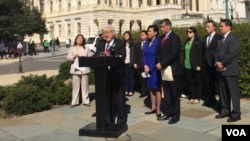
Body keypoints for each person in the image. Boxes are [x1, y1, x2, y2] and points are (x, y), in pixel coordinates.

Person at [94, 24, 127, 125]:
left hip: (116, 74)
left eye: (108, 32)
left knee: (119, 99)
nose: (106, 35)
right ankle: (110, 119)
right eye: (104, 33)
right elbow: (95, 56)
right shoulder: (100, 44)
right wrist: (100, 55)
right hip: (104, 75)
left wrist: (109, 55)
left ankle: (121, 120)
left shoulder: (120, 43)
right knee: (108, 99)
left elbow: (122, 57)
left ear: (113, 33)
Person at [156, 18, 183, 124]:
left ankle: (176, 115)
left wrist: (162, 63)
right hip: (164, 70)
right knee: (167, 93)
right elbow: (158, 52)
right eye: (161, 27)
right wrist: (159, 63)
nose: (161, 29)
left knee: (174, 94)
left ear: (169, 26)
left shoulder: (174, 38)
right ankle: (168, 112)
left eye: (163, 27)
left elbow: (174, 54)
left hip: (173, 70)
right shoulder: (161, 38)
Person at [214, 19, 241, 122]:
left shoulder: (233, 39)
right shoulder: (220, 39)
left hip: (230, 69)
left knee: (233, 93)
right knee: (223, 92)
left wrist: (222, 63)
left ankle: (236, 113)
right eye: (220, 26)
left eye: (222, 26)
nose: (220, 28)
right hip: (221, 70)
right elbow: (216, 53)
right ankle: (225, 110)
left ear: (228, 27)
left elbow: (231, 54)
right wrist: (217, 62)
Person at [67, 34, 92, 108]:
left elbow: (90, 57)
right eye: (78, 38)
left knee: (85, 86)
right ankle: (74, 102)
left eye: (81, 38)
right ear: (76, 40)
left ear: (83, 40)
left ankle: (86, 101)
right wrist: (73, 56)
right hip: (75, 69)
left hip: (84, 70)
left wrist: (86, 58)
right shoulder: (72, 48)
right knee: (75, 87)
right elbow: (68, 58)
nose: (80, 39)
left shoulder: (86, 48)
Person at [143, 24, 162, 120]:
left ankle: (158, 109)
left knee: (157, 89)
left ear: (155, 32)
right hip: (147, 68)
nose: (148, 33)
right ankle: (153, 107)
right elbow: (144, 55)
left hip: (155, 69)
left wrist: (150, 67)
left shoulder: (158, 42)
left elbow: (157, 56)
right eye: (148, 31)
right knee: (151, 88)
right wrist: (145, 65)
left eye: (150, 31)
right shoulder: (147, 42)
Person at [202, 20, 222, 107]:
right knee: (210, 83)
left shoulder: (219, 37)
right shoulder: (205, 38)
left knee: (219, 84)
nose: (206, 28)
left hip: (215, 64)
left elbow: (220, 51)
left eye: (208, 27)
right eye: (206, 27)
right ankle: (211, 100)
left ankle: (222, 102)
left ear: (214, 27)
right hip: (207, 64)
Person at [184, 27, 203, 104]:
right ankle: (192, 96)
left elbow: (200, 54)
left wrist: (199, 65)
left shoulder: (197, 42)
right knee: (190, 82)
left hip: (195, 65)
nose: (188, 33)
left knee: (197, 82)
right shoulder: (187, 41)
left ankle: (197, 98)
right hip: (187, 65)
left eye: (190, 32)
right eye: (187, 32)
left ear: (194, 33)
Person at [133, 30, 149, 98]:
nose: (142, 36)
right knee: (141, 79)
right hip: (139, 64)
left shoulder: (149, 43)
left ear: (147, 35)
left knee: (148, 79)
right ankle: (143, 92)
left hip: (147, 65)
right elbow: (135, 54)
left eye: (143, 34)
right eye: (141, 35)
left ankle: (149, 93)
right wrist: (135, 63)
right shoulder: (137, 44)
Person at [123, 31, 135, 96]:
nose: (126, 36)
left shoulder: (132, 44)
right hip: (124, 62)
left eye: (127, 35)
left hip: (130, 62)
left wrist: (133, 62)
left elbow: (134, 54)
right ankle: (126, 90)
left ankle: (131, 90)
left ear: (130, 36)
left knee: (131, 77)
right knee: (125, 77)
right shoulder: (123, 43)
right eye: (125, 35)